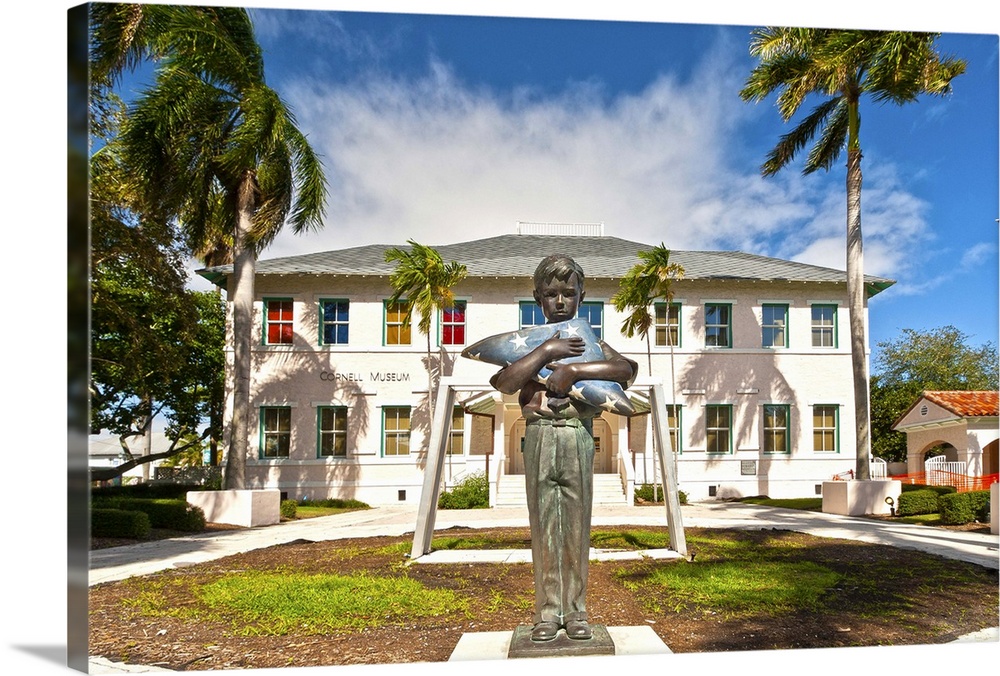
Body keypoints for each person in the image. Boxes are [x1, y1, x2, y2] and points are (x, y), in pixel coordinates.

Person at [490, 254, 637, 642]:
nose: (559, 301)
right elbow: (505, 382)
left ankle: (576, 611)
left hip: (575, 432)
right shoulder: (531, 342)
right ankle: (546, 611)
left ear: (581, 296)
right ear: (538, 297)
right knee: (543, 527)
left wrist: (574, 369)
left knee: (575, 525)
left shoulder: (588, 342)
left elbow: (626, 370)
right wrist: (546, 353)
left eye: (568, 294)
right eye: (551, 294)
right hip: (538, 434)